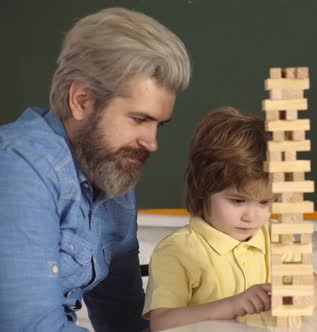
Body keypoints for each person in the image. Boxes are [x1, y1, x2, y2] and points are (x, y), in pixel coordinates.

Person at [0, 7, 191, 332]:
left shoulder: (113, 175)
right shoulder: (19, 166)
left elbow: (123, 320)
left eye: (160, 124)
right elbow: (31, 326)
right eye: (139, 119)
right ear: (82, 100)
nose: (152, 142)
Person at [142, 107, 317, 331]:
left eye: (265, 203)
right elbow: (162, 322)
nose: (251, 216)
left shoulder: (277, 236)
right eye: (238, 201)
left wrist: (301, 294)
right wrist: (232, 305)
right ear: (203, 188)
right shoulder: (176, 250)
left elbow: (316, 286)